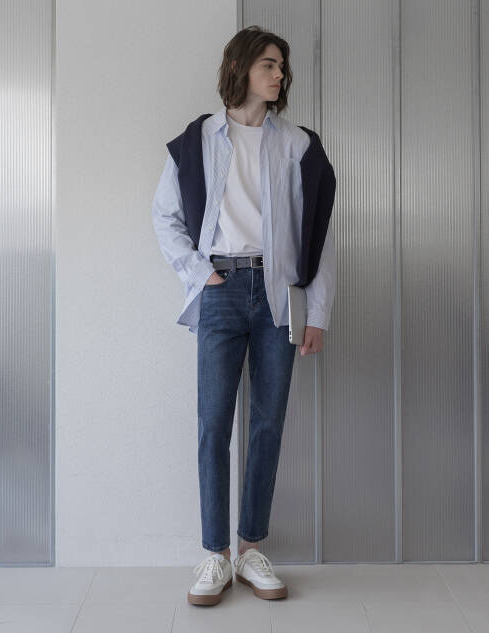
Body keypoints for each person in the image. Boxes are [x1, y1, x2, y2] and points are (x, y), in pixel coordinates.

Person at [151, 25, 336, 606]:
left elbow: (320, 235)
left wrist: (317, 311)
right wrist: (199, 273)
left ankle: (251, 547)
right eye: (268, 64)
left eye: (281, 66)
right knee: (213, 424)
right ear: (240, 68)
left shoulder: (299, 146)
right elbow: (164, 217)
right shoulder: (197, 140)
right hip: (221, 289)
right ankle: (216, 555)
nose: (279, 74)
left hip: (279, 296)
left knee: (267, 424)